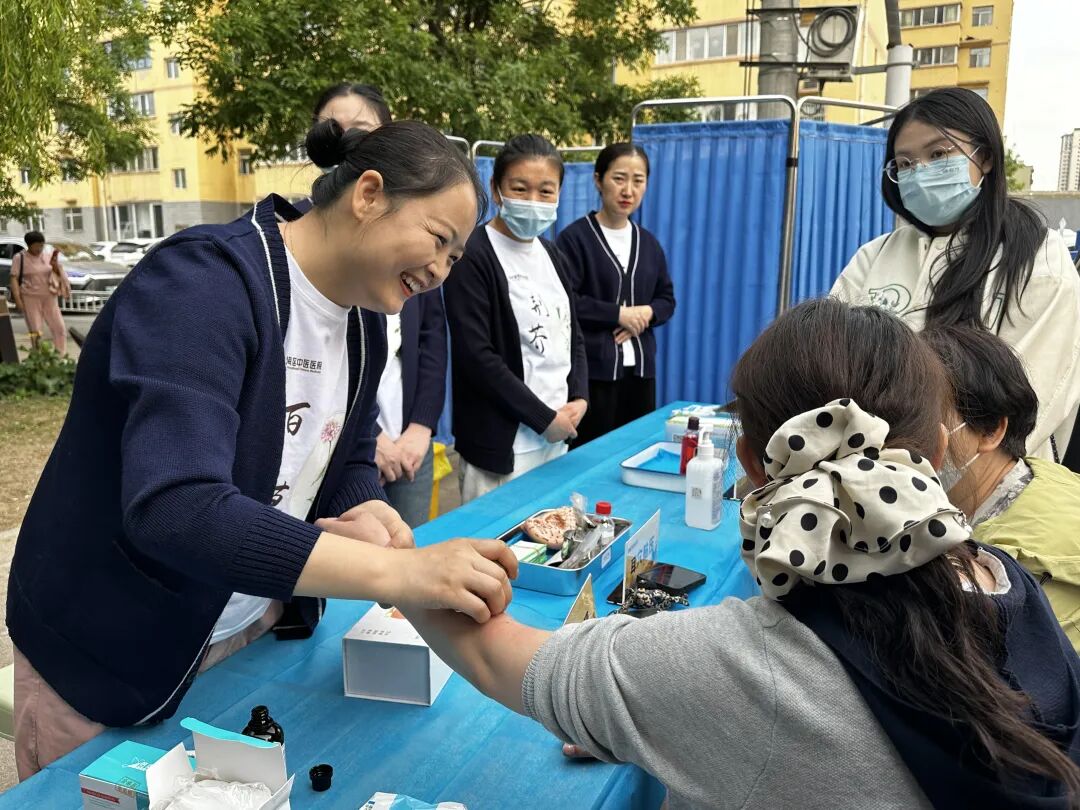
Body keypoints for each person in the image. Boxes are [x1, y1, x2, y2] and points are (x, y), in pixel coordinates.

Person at [404, 298, 1080, 809]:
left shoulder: (740, 666)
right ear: (935, 450)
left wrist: (395, 562)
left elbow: (496, 656)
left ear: (750, 462)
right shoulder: (1005, 580)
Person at [6, 118, 517, 778]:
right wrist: (398, 574)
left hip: (246, 628)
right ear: (368, 195)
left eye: (455, 259)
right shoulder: (201, 284)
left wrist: (363, 504)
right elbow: (178, 507)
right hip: (111, 649)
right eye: (439, 240)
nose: (441, 271)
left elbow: (345, 452)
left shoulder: (361, 321)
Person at [831, 87, 1080, 466]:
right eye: (905, 163)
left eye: (938, 154)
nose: (920, 172)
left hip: (987, 482)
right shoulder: (876, 255)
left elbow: (1033, 396)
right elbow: (831, 360)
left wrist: (928, 469)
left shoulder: (1036, 256)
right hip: (868, 470)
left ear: (985, 157)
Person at [306, 82, 446, 527]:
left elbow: (431, 342)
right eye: (333, 128)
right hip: (341, 442)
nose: (347, 140)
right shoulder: (302, 243)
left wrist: (420, 427)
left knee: (407, 544)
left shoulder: (414, 243)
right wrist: (370, 438)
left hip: (408, 441)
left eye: (362, 130)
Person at [442, 134, 588, 503]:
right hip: (502, 446)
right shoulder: (472, 254)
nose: (533, 201)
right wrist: (543, 418)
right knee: (496, 536)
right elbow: (476, 355)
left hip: (557, 439)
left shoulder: (552, 254)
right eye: (520, 188)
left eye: (546, 191)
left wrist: (580, 397)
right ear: (496, 189)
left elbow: (573, 334)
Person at [924, 324, 1080, 652]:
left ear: (991, 430)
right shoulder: (1041, 481)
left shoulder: (1028, 563)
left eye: (926, 422)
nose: (906, 441)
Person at [556, 143, 675, 446]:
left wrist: (646, 313)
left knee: (636, 450)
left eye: (638, 180)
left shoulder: (648, 243)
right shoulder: (575, 239)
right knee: (591, 453)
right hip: (593, 373)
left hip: (640, 372)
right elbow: (564, 301)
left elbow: (666, 299)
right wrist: (618, 314)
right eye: (619, 178)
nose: (628, 190)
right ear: (598, 180)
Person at [9, 231, 70, 355]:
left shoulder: (47, 256)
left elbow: (57, 274)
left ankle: (60, 355)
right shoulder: (19, 258)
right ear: (29, 245)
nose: (39, 249)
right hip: (30, 298)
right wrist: (18, 300)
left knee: (59, 328)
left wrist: (55, 266)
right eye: (36, 246)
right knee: (35, 330)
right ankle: (38, 357)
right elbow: (14, 279)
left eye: (41, 245)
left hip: (50, 297)